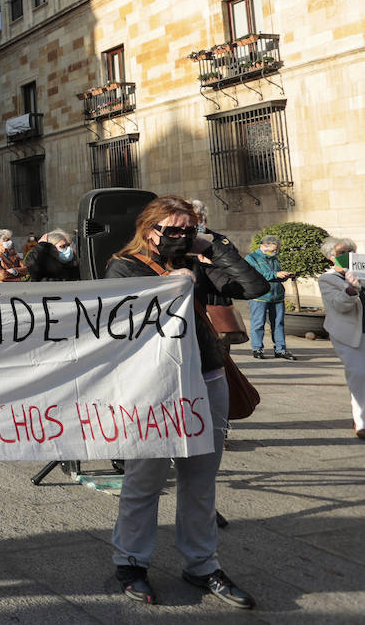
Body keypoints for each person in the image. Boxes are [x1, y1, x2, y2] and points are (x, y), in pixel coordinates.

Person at [105, 195, 267, 608]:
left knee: (200, 480)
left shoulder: (198, 261)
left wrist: (216, 248)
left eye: (187, 230)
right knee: (146, 477)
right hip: (156, 387)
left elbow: (254, 287)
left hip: (207, 377)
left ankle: (202, 565)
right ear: (149, 229)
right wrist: (174, 284)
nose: (180, 237)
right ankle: (131, 562)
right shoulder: (123, 266)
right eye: (172, 230)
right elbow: (126, 324)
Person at [318, 237, 364, 439]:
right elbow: (339, 305)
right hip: (348, 334)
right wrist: (351, 289)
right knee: (359, 374)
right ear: (331, 257)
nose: (348, 255)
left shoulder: (362, 271)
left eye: (351, 251)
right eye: (342, 252)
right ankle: (361, 421)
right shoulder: (327, 279)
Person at [245, 236, 295, 360]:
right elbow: (254, 276)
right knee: (258, 323)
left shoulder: (274, 258)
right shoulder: (251, 258)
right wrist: (275, 274)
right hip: (259, 296)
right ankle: (257, 348)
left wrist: (284, 275)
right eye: (272, 250)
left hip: (277, 295)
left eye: (275, 250)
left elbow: (276, 275)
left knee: (278, 324)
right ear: (263, 246)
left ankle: (280, 349)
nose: (274, 253)